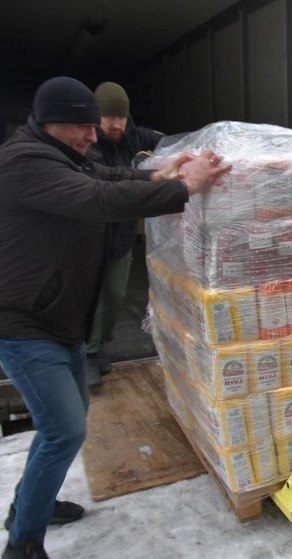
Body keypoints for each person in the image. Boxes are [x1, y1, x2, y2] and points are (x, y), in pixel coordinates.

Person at [0, 76, 231, 559]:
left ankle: (27, 506)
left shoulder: (63, 156)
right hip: (24, 323)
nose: (92, 135)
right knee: (64, 428)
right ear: (49, 122)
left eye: (93, 124)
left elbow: (108, 178)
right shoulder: (24, 162)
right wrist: (184, 188)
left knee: (65, 421)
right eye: (81, 126)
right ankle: (22, 543)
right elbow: (97, 200)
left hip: (60, 317)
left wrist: (162, 173)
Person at [84, 81, 164, 388]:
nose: (116, 124)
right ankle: (88, 354)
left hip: (121, 236)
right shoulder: (88, 144)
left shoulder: (137, 136)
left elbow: (169, 144)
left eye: (121, 117)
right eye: (109, 117)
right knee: (93, 296)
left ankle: (100, 345)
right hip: (90, 236)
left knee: (115, 296)